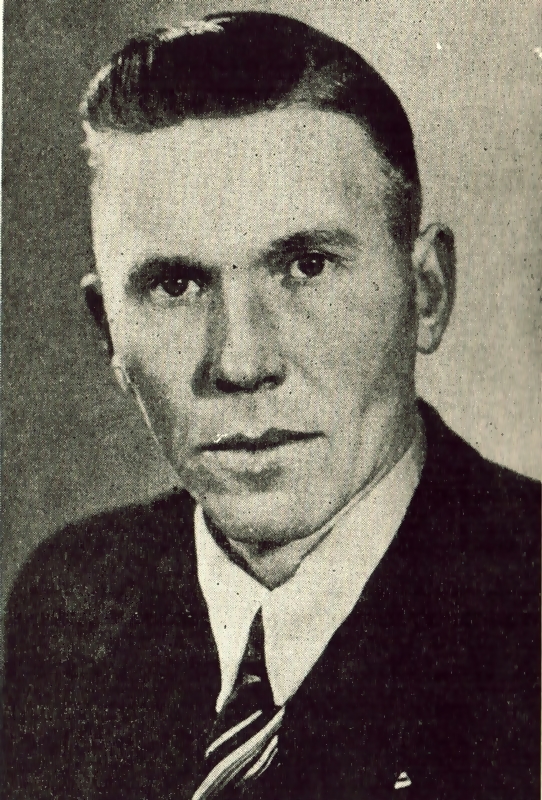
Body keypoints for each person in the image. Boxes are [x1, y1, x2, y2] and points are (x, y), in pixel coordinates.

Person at [3, 11, 539, 800]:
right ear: (109, 331)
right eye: (176, 285)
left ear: (426, 292)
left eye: (307, 266)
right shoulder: (69, 602)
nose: (242, 363)